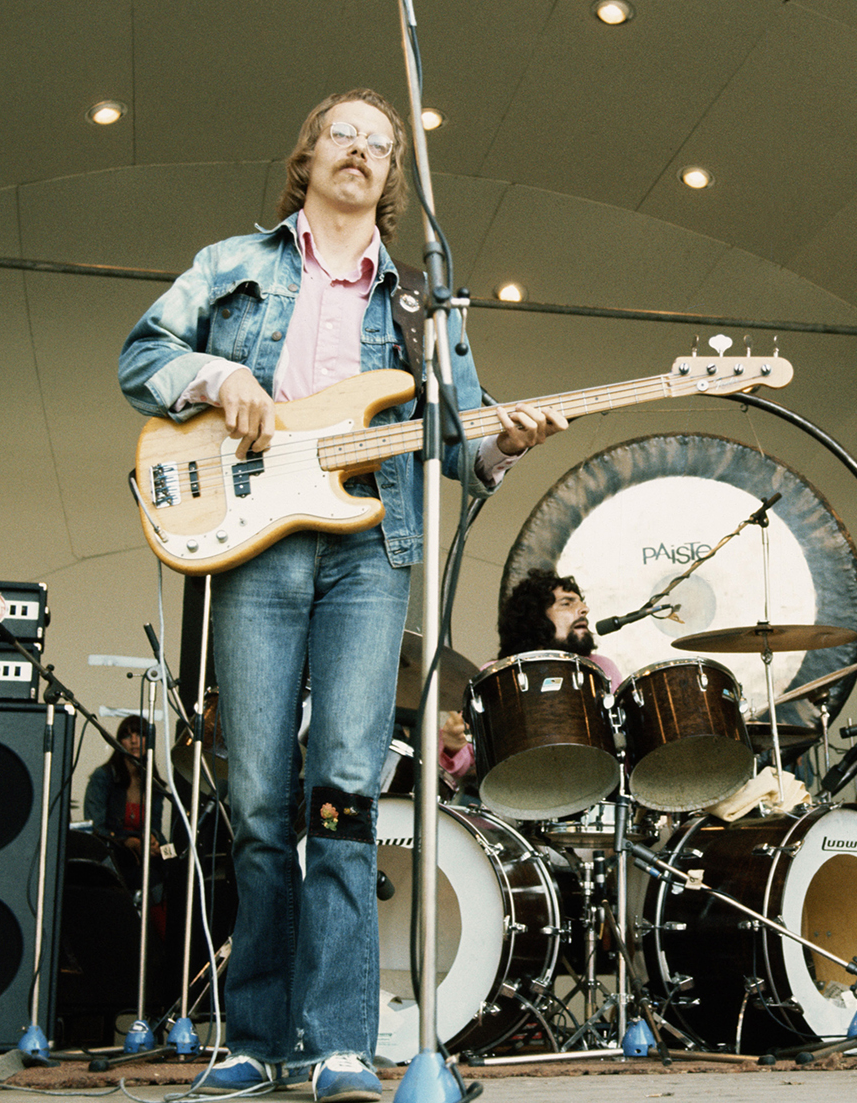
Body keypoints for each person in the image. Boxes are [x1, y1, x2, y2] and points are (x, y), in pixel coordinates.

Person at [119, 88, 565, 1101]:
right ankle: (255, 1037)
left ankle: (338, 1047)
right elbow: (141, 355)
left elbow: (456, 437)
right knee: (259, 799)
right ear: (308, 154)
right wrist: (212, 380)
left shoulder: (418, 302)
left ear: (393, 176)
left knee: (346, 791)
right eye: (344, 135)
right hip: (258, 548)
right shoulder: (236, 265)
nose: (361, 150)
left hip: (372, 552)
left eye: (382, 142)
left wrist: (502, 443)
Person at [495, 567, 624, 687]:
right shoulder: (497, 674)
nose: (584, 609)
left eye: (581, 603)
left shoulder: (603, 668)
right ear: (535, 616)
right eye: (567, 604)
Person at [83, 715, 151, 853]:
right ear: (119, 742)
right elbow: (97, 829)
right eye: (127, 736)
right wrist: (126, 841)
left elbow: (155, 827)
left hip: (142, 854)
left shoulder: (152, 781)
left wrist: (154, 839)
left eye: (139, 735)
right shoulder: (104, 776)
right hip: (113, 853)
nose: (133, 741)